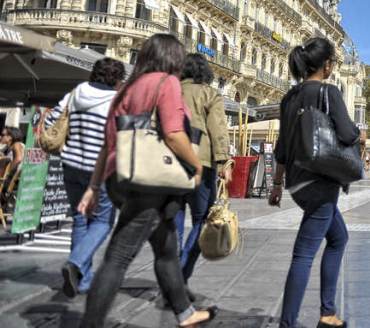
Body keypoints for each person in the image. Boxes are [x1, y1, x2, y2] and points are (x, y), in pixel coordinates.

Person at [77, 34, 216, 327]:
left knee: (166, 250)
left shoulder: (125, 89)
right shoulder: (166, 83)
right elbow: (174, 134)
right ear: (172, 59)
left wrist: (94, 187)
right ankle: (90, 323)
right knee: (118, 257)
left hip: (121, 177)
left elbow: (107, 144)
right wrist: (196, 166)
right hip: (149, 181)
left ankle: (185, 313)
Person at [270, 37, 361, 328]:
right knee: (304, 254)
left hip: (296, 184)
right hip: (321, 181)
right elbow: (347, 134)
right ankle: (289, 324)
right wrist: (361, 135)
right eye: (333, 62)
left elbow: (281, 147)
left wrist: (276, 184)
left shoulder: (290, 96)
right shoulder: (328, 91)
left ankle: (327, 314)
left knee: (338, 238)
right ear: (326, 65)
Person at [44, 57, 125, 298]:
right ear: (118, 79)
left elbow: (51, 121)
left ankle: (83, 280)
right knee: (102, 222)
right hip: (100, 171)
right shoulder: (115, 101)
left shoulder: (76, 93)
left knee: (80, 221)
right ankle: (76, 263)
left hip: (70, 165)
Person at [174, 54, 233, 290]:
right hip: (202, 163)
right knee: (202, 220)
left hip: (169, 162)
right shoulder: (209, 94)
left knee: (174, 219)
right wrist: (225, 163)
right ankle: (182, 272)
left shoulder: (170, 91)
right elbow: (218, 130)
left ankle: (170, 270)